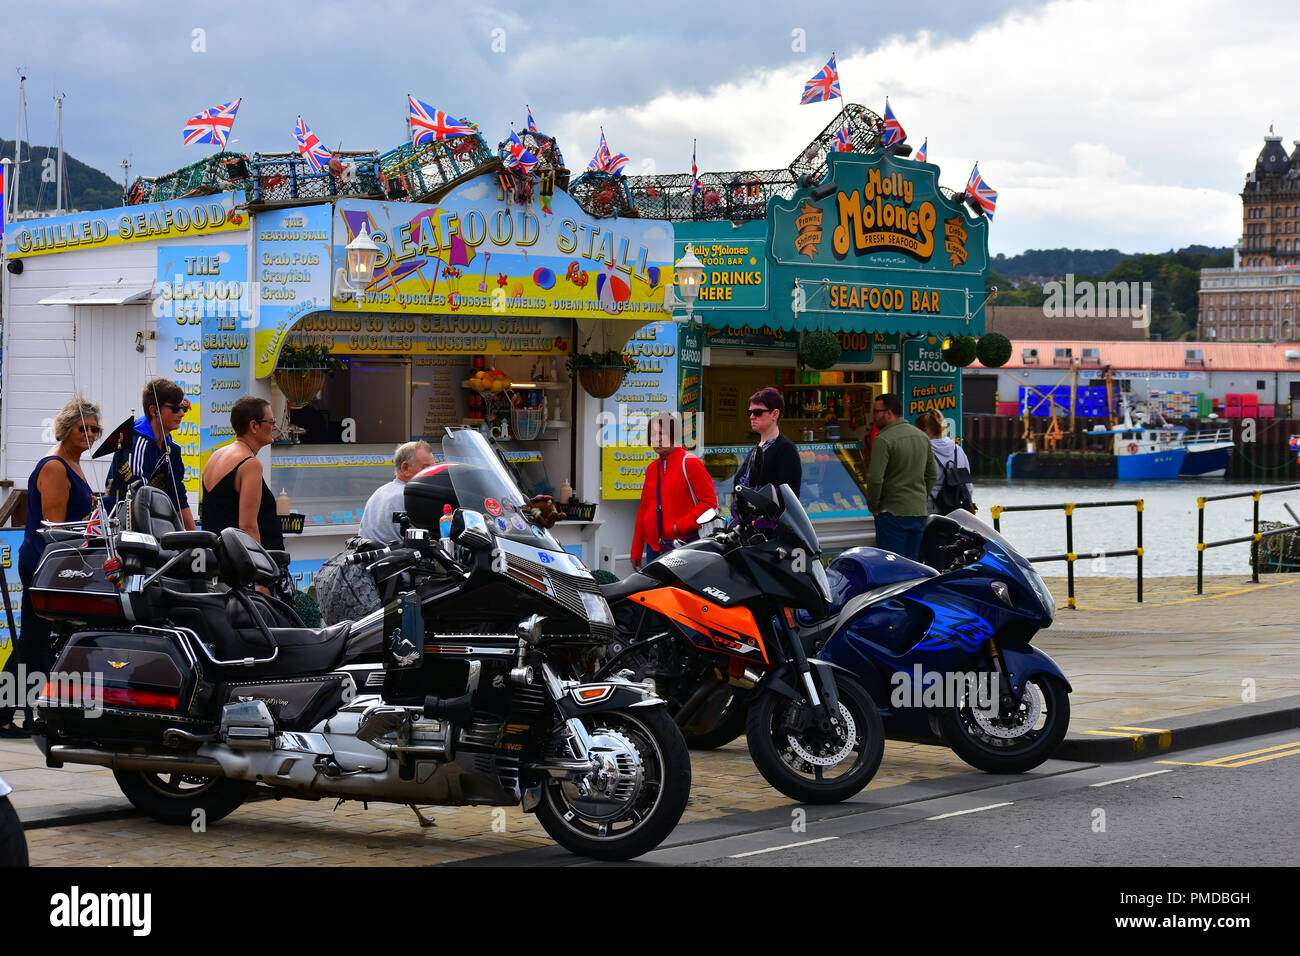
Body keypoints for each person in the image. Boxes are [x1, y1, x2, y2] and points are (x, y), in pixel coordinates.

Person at [2, 398, 101, 738]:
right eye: (83, 428)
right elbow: (54, 528)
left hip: (60, 563)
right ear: (65, 429)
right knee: (34, 637)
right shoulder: (56, 466)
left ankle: (31, 711)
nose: (90, 434)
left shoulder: (74, 464)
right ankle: (12, 713)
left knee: (37, 638)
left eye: (95, 429)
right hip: (44, 562)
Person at [107, 377, 197, 530]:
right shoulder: (136, 444)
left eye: (184, 407)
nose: (182, 413)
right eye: (176, 408)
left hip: (153, 523)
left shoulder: (172, 449)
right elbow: (136, 501)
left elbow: (178, 497)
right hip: (123, 529)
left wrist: (196, 539)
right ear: (154, 411)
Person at [631, 412, 717, 570]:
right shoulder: (652, 468)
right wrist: (636, 550)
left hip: (681, 546)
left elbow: (709, 504)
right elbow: (644, 510)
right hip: (653, 548)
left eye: (661, 433)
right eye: (652, 434)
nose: (656, 439)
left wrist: (679, 526)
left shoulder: (691, 463)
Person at [199, 396, 284, 551]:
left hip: (221, 561)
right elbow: (247, 527)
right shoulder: (250, 464)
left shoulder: (216, 456)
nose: (275, 427)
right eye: (271, 422)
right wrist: (259, 569)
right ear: (254, 426)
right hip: (243, 566)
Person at [866, 393, 936, 562]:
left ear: (888, 413)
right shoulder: (922, 437)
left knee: (893, 567)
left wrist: (874, 506)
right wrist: (920, 496)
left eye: (876, 411)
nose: (873, 416)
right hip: (918, 512)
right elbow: (932, 475)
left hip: (892, 513)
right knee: (913, 566)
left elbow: (875, 479)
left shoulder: (883, 439)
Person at [359, 441, 436, 546]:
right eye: (426, 467)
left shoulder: (380, 492)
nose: (433, 473)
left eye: (434, 468)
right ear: (405, 468)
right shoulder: (410, 497)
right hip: (400, 560)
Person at [736, 386, 802, 497]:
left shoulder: (786, 449)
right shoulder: (756, 449)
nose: (752, 417)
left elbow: (789, 495)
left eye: (757, 412)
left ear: (775, 414)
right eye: (749, 412)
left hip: (770, 514)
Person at [915, 410, 976, 515]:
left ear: (925, 431)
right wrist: (969, 503)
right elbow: (967, 484)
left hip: (928, 511)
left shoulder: (921, 451)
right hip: (956, 510)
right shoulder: (958, 450)